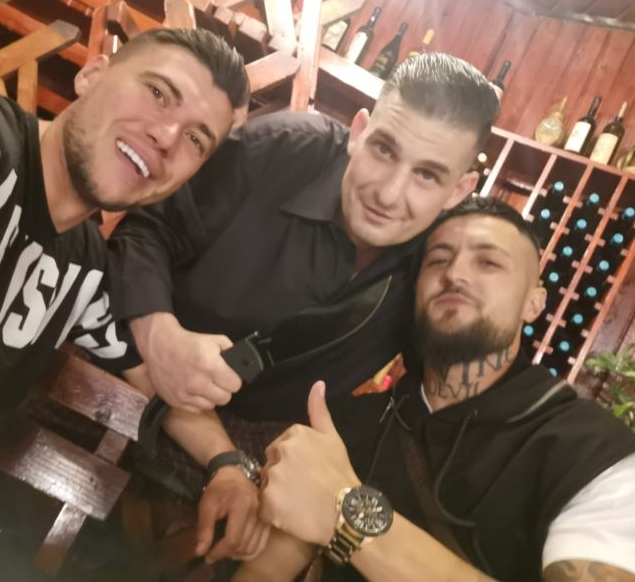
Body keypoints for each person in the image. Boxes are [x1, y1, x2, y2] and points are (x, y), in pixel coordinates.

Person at [105, 53, 499, 564]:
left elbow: (426, 403)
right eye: (384, 149)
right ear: (359, 130)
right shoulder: (282, 148)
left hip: (254, 465)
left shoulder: (440, 268)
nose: (388, 193)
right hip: (128, 377)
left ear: (459, 190)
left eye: (427, 175)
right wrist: (159, 333)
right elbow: (146, 231)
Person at [0, 28, 249, 581]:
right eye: (158, 92)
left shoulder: (86, 271)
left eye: (195, 140)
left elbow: (158, 375)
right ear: (92, 73)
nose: (166, 136)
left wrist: (228, 465)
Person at [247, 197, 635, 582]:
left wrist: (346, 512)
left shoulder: (591, 454)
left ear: (534, 303)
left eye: (488, 262)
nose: (455, 274)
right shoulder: (350, 421)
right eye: (438, 260)